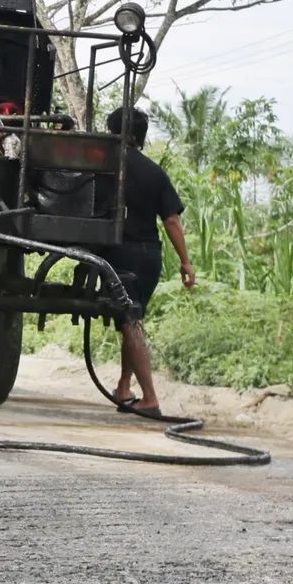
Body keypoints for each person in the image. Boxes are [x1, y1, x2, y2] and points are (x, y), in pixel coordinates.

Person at [99, 106, 196, 417]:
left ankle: (151, 398)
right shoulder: (155, 172)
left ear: (112, 132)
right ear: (141, 136)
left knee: (131, 323)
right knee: (133, 318)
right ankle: (125, 386)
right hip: (150, 257)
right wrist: (185, 262)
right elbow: (171, 221)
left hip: (121, 254)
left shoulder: (103, 168)